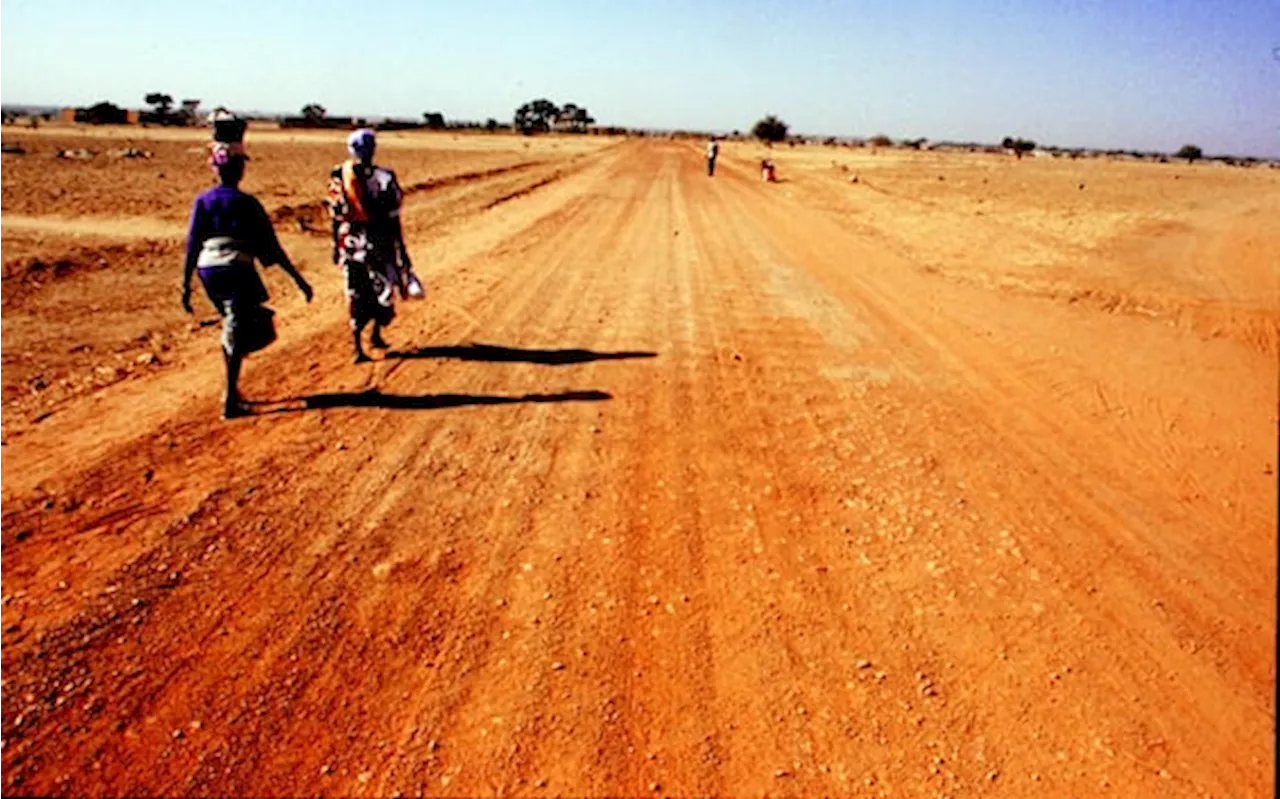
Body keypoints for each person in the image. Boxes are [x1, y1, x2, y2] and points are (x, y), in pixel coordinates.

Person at [182, 118, 313, 419]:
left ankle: (232, 387)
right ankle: (230, 398)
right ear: (240, 168)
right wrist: (298, 280)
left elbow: (192, 244)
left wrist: (186, 285)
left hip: (208, 272)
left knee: (233, 324)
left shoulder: (203, 201)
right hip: (236, 270)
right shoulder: (247, 203)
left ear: (215, 168)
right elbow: (273, 247)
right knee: (239, 330)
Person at [327, 128, 421, 363]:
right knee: (382, 290)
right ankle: (375, 334)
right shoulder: (385, 177)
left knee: (355, 291)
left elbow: (335, 215)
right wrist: (402, 251)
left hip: (350, 244)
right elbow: (393, 217)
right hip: (379, 243)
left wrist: (334, 244)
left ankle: (358, 346)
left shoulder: (340, 174)